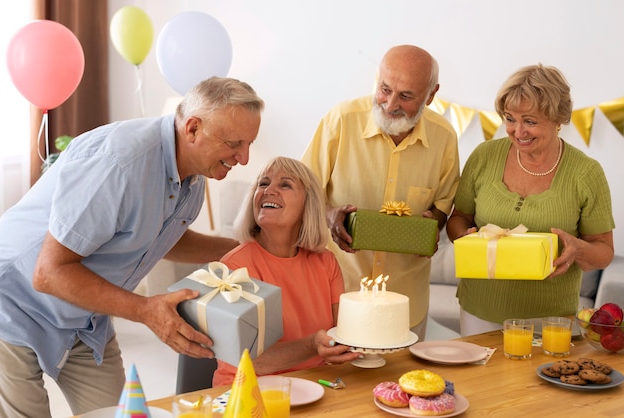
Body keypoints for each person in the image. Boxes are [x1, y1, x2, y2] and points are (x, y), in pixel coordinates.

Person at [0, 76, 264, 417]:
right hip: (14, 302)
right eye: (235, 143)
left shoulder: (194, 177)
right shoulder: (120, 163)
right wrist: (146, 310)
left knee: (123, 413)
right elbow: (48, 273)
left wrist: (242, 249)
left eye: (249, 144)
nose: (243, 158)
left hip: (83, 319)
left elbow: (164, 238)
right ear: (193, 128)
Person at [301, 45, 460, 339]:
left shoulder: (445, 138)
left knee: (401, 385)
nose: (389, 105)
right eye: (385, 89)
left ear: (432, 94)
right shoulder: (340, 120)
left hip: (404, 305)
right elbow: (301, 195)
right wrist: (329, 214)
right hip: (335, 296)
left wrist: (431, 225)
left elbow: (443, 208)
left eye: (406, 96)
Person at [446, 64, 615, 337]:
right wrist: (465, 236)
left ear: (559, 119)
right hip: (480, 311)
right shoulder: (484, 156)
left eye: (530, 121)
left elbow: (604, 252)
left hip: (551, 319)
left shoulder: (586, 172)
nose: (518, 131)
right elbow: (459, 217)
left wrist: (577, 249)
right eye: (510, 118)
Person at [212, 156, 361, 386]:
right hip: (247, 391)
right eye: (263, 183)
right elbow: (253, 360)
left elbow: (341, 334)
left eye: (285, 184)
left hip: (315, 384)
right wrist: (312, 345)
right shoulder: (233, 268)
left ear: (307, 205)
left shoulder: (326, 262)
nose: (269, 190)